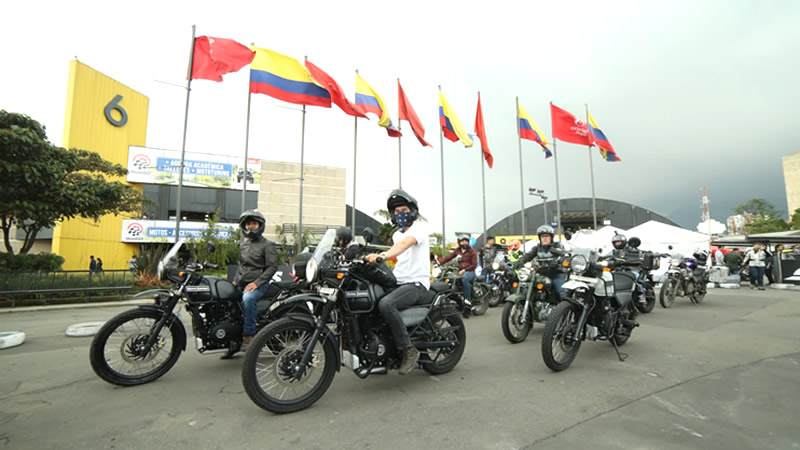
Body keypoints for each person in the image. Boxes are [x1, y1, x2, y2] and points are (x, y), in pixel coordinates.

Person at [365, 189, 429, 375]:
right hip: (399, 281)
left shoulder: (419, 229)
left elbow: (403, 245)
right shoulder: (396, 235)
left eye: (404, 210)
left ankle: (408, 349)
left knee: (386, 304)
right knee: (372, 301)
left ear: (412, 211)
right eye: (397, 211)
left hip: (416, 283)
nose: (400, 214)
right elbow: (397, 247)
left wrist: (382, 256)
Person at [233, 210, 278, 347]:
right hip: (241, 282)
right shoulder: (243, 245)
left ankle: (249, 335)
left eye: (254, 223)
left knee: (248, 299)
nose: (251, 226)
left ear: (260, 225)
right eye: (248, 224)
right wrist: (235, 279)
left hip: (258, 284)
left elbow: (272, 267)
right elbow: (241, 265)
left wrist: (257, 283)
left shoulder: (267, 244)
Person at [515, 225, 567, 297]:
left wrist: (557, 262)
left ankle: (563, 302)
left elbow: (563, 255)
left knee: (561, 292)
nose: (544, 238)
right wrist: (520, 261)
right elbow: (528, 255)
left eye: (547, 236)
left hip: (555, 274)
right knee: (527, 285)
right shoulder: (537, 248)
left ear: (551, 237)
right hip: (541, 273)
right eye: (542, 236)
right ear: (540, 238)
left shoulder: (557, 246)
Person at [439, 235, 479, 316]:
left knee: (465, 279)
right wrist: (439, 263)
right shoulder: (457, 250)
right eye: (462, 241)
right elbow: (448, 257)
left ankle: (467, 300)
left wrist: (464, 270)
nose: (464, 243)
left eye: (466, 241)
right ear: (459, 242)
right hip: (460, 271)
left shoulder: (472, 251)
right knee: (450, 279)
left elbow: (474, 264)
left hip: (470, 271)